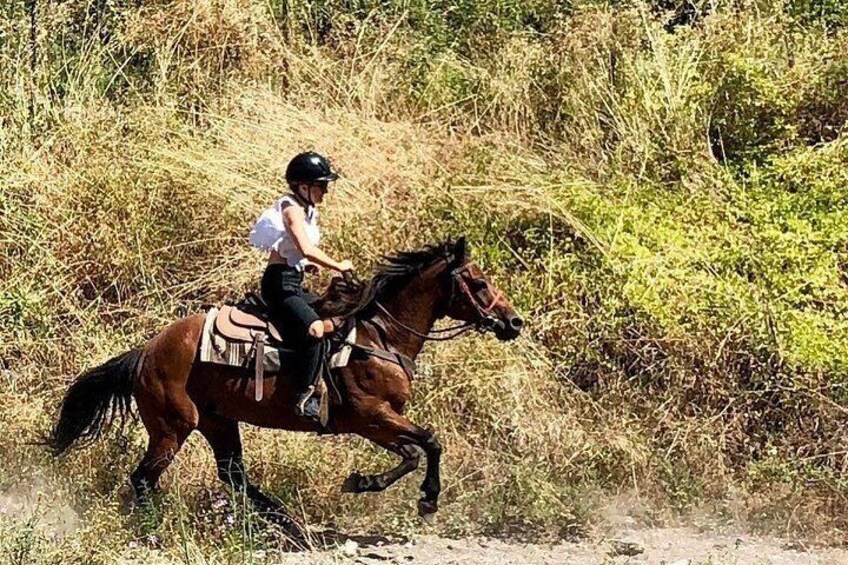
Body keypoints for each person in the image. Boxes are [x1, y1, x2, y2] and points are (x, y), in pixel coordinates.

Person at [249, 151, 354, 419]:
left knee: (336, 318)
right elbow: (305, 248)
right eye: (322, 186)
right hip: (279, 287)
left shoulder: (305, 210)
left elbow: (292, 251)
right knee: (316, 329)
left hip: (292, 281)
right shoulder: (292, 209)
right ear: (303, 187)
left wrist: (303, 265)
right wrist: (337, 265)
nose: (325, 192)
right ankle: (303, 396)